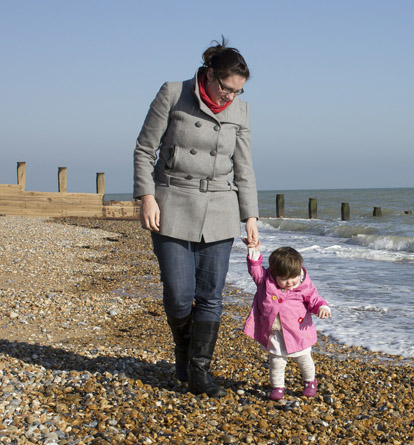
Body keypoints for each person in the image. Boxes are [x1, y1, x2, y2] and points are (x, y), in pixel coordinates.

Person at [133, 36, 259, 398]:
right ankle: (183, 351)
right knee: (178, 294)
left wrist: (250, 216)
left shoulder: (240, 112)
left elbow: (244, 168)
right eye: (226, 89)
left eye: (238, 91)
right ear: (209, 74)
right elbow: (144, 149)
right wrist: (146, 196)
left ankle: (199, 370)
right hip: (171, 201)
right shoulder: (173, 93)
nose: (230, 98)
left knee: (211, 295)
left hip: (221, 206)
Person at [243, 244, 331, 400]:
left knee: (304, 359)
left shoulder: (303, 285)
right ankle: (278, 386)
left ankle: (310, 381)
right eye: (283, 279)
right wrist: (254, 253)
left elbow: (314, 299)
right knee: (276, 361)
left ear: (299, 272)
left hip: (298, 332)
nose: (290, 282)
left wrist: (322, 308)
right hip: (275, 332)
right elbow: (255, 270)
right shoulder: (265, 281)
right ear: (274, 274)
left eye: (293, 277)